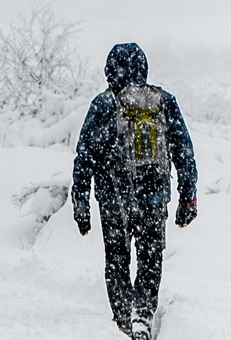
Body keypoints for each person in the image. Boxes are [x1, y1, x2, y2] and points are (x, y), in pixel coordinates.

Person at [72, 43, 198, 340]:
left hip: (114, 199)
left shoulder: (103, 105)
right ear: (144, 68)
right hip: (154, 200)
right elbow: (184, 152)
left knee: (116, 260)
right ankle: (142, 315)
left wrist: (81, 204)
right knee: (150, 259)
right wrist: (188, 197)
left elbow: (84, 157)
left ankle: (123, 320)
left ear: (109, 70)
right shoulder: (163, 102)